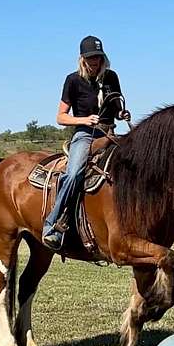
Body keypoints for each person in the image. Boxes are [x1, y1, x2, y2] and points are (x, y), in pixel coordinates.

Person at [42, 35, 131, 249]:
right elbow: (60, 117)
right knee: (73, 173)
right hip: (84, 135)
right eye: (91, 58)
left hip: (109, 134)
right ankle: (53, 223)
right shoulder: (73, 80)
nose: (94, 62)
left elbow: (116, 107)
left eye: (98, 58)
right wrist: (84, 120)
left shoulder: (111, 78)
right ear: (82, 59)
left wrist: (122, 114)